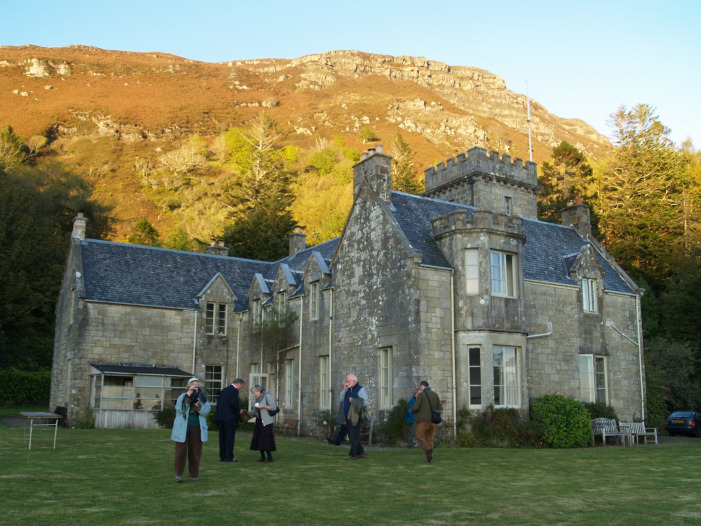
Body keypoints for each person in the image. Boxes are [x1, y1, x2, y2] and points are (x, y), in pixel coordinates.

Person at [171, 377, 211, 481]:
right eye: (193, 384)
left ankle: (194, 475)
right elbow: (179, 409)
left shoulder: (202, 397)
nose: (195, 386)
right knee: (180, 452)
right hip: (182, 428)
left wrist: (198, 407)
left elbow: (206, 411)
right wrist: (187, 399)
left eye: (197, 384)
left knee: (195, 452)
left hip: (197, 427)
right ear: (188, 387)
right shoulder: (183, 396)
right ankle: (178, 475)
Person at [410, 380, 441, 463]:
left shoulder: (421, 395)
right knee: (430, 438)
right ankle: (429, 458)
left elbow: (416, 407)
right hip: (433, 420)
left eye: (420, 386)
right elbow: (439, 407)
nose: (420, 388)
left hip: (423, 420)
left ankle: (428, 449)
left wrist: (410, 410)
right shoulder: (435, 394)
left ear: (423, 386)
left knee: (419, 436)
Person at [217, 378, 246, 462]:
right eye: (241, 387)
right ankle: (228, 457)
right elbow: (233, 402)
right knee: (229, 438)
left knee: (222, 438)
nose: (240, 389)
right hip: (230, 418)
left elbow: (219, 404)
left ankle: (222, 456)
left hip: (221, 417)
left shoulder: (224, 390)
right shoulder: (234, 391)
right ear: (239, 384)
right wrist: (239, 410)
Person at [340, 373, 368, 460]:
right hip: (347, 416)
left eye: (348, 381)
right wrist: (344, 390)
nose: (347, 382)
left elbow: (365, 402)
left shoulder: (360, 389)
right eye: (347, 381)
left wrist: (354, 400)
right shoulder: (348, 389)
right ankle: (361, 452)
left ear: (354, 381)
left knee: (354, 435)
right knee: (351, 435)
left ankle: (353, 454)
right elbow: (341, 399)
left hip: (355, 416)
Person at [249, 385, 277, 462]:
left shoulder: (267, 396)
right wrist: (247, 413)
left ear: (259, 391)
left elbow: (273, 407)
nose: (254, 395)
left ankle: (270, 457)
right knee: (259, 438)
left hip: (266, 421)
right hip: (259, 420)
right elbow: (254, 411)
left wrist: (263, 406)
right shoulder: (258, 399)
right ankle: (262, 457)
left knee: (266, 439)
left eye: (255, 393)